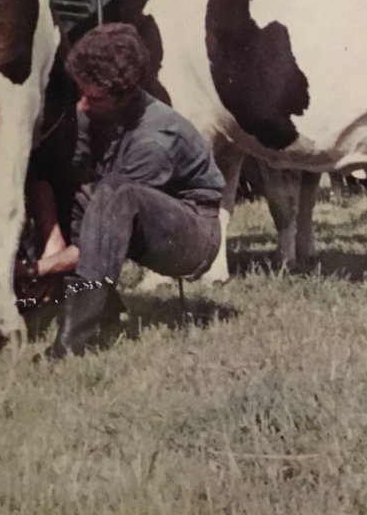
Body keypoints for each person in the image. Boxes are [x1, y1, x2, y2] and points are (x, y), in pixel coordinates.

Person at [37, 22, 226, 359]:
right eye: (79, 92)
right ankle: (105, 310)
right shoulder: (93, 109)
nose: (81, 105)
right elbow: (70, 176)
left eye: (91, 97)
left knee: (117, 193)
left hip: (193, 234)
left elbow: (107, 231)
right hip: (126, 210)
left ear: (124, 93)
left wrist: (44, 268)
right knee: (69, 173)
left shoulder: (155, 139)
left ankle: (71, 342)